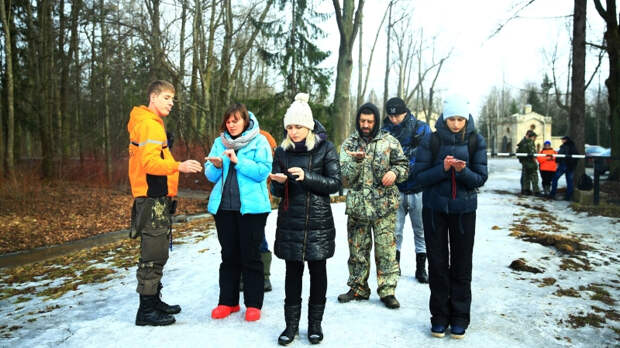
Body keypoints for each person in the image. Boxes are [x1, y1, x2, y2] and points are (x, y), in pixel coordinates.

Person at [128, 80, 203, 326]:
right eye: (167, 97)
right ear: (153, 97)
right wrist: (178, 166)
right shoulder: (149, 125)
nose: (172, 102)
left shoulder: (153, 125)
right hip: (150, 199)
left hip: (157, 197)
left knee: (159, 250)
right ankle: (146, 310)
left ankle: (154, 300)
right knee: (152, 253)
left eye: (173, 98)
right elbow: (148, 164)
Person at [270, 93, 341, 345]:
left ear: (308, 126)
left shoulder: (326, 148)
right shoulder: (282, 151)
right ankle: (290, 326)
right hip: (290, 221)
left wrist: (307, 176)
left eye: (297, 126)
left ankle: (314, 325)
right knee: (292, 274)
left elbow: (335, 184)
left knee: (318, 272)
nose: (293, 131)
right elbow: (276, 192)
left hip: (318, 223)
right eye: (289, 127)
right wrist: (278, 184)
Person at [414, 95, 488, 339]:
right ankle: (439, 317)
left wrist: (462, 170)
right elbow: (419, 177)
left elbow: (480, 179)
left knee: (461, 265)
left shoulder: (476, 141)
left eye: (460, 119)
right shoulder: (431, 140)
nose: (456, 124)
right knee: (437, 265)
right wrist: (443, 168)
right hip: (435, 211)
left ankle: (459, 317)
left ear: (466, 119)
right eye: (451, 119)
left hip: (465, 212)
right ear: (444, 118)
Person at [204, 103, 272, 322]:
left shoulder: (259, 140)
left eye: (236, 121)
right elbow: (210, 176)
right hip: (224, 208)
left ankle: (253, 304)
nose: (231, 125)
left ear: (245, 121)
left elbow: (263, 172)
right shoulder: (219, 142)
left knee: (251, 256)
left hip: (252, 210)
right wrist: (216, 166)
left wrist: (238, 161)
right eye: (228, 121)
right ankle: (228, 302)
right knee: (229, 255)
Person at [338, 102, 408, 309]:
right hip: (358, 207)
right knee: (357, 250)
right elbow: (344, 179)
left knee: (386, 251)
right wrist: (357, 163)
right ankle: (358, 288)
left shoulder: (389, 141)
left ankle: (387, 290)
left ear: (376, 121)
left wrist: (394, 173)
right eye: (362, 121)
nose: (366, 124)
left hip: (384, 206)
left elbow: (403, 165)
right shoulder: (349, 144)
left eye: (370, 121)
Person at [382, 97, 431, 283]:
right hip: (395, 190)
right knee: (395, 231)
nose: (394, 119)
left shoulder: (421, 128)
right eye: (391, 115)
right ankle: (395, 266)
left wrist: (403, 168)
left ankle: (421, 268)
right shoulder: (385, 131)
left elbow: (425, 156)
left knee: (421, 231)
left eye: (398, 115)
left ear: (405, 112)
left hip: (418, 189)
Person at [239, 129, 277, 293]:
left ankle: (264, 276)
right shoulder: (232, 138)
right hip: (236, 200)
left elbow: (269, 167)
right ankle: (242, 275)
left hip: (257, 199)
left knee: (257, 237)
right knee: (239, 238)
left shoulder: (265, 138)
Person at [548, 136, 578, 201]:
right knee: (569, 181)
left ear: (565, 140)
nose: (562, 141)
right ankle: (568, 196)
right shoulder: (573, 146)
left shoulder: (564, 147)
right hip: (571, 166)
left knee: (555, 178)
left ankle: (552, 193)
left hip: (563, 165)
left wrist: (557, 161)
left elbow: (559, 155)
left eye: (562, 139)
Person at [516, 130, 543, 196]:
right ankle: (536, 191)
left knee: (525, 177)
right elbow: (532, 153)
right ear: (532, 137)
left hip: (524, 162)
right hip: (530, 162)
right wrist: (535, 161)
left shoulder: (522, 142)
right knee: (534, 177)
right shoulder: (530, 142)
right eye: (534, 137)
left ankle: (525, 190)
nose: (535, 139)